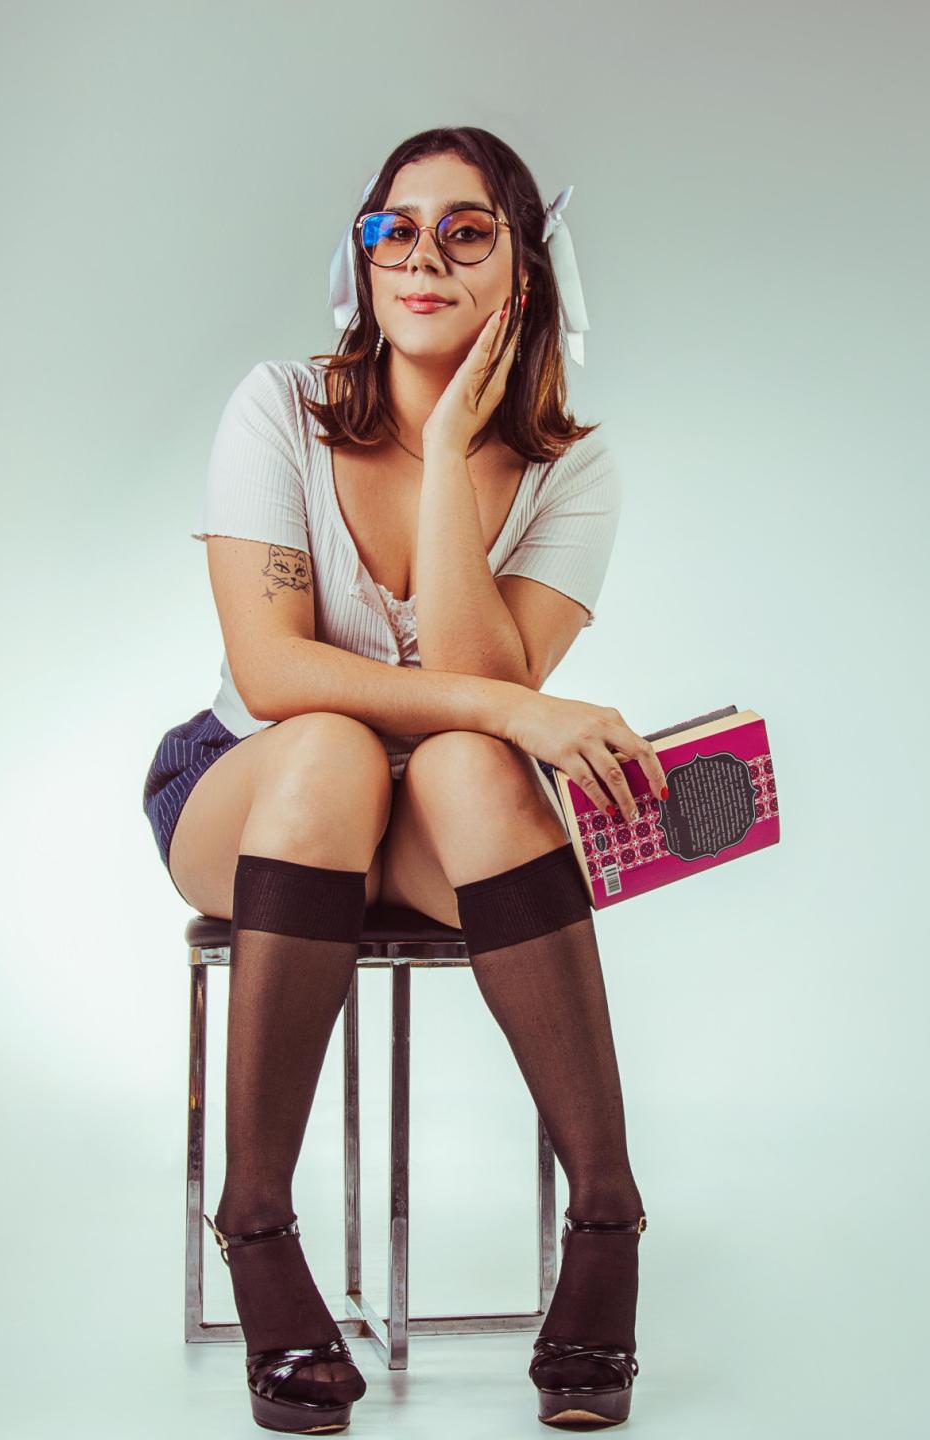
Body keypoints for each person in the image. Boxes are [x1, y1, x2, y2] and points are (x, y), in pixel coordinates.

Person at [141, 126, 669, 1433]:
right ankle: (254, 1220)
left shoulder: (572, 468)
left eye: (466, 231)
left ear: (524, 272)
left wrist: (446, 459)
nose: (423, 256)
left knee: (474, 769)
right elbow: (274, 672)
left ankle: (607, 1212)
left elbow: (483, 691)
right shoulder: (278, 407)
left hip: (435, 818)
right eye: (396, 229)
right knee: (334, 742)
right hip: (253, 789)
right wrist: (510, 707)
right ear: (360, 257)